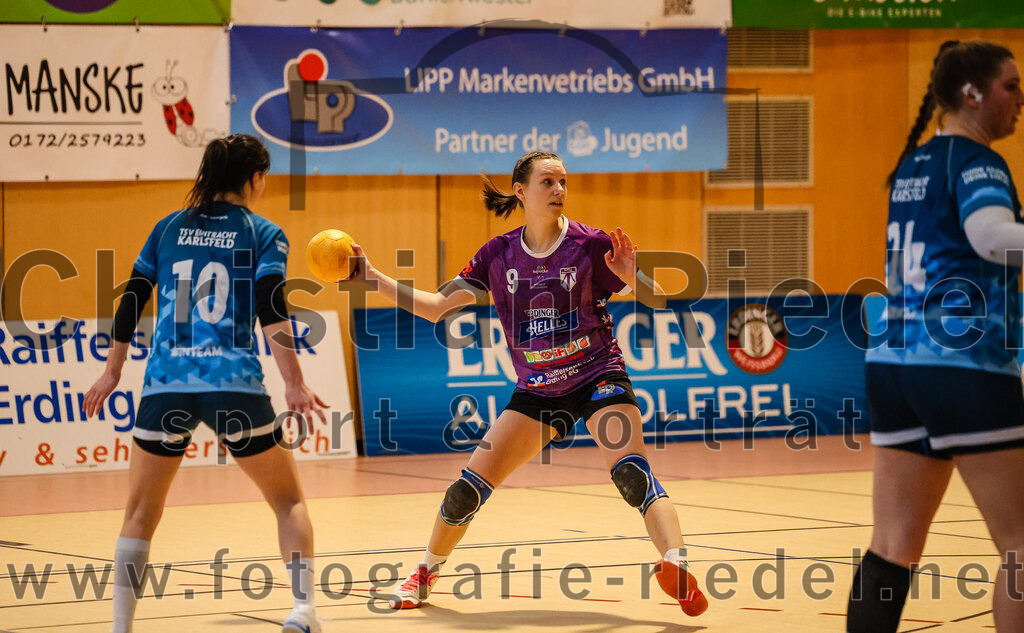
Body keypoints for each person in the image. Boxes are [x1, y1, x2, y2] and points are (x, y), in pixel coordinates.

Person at [344, 151, 708, 615]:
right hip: (538, 391)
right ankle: (424, 573)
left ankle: (677, 565)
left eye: (563, 182)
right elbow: (437, 307)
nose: (559, 190)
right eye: (548, 181)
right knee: (467, 488)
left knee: (631, 473)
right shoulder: (497, 255)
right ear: (520, 191)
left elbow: (658, 300)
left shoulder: (591, 244)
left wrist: (633, 277)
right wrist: (372, 277)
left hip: (598, 375)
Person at [83, 134, 328, 633]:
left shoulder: (167, 227)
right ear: (254, 179)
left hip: (164, 386)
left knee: (140, 513)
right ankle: (303, 612)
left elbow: (132, 299)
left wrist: (112, 371)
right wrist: (294, 383)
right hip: (232, 386)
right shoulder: (263, 232)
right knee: (289, 501)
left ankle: (120, 628)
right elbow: (270, 307)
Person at [851, 41, 1024, 632]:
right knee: (1020, 548)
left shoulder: (914, 165)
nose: (1020, 98)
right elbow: (993, 236)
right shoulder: (976, 162)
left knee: (892, 546)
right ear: (972, 94)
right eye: (1010, 85)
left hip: (895, 363)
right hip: (963, 364)